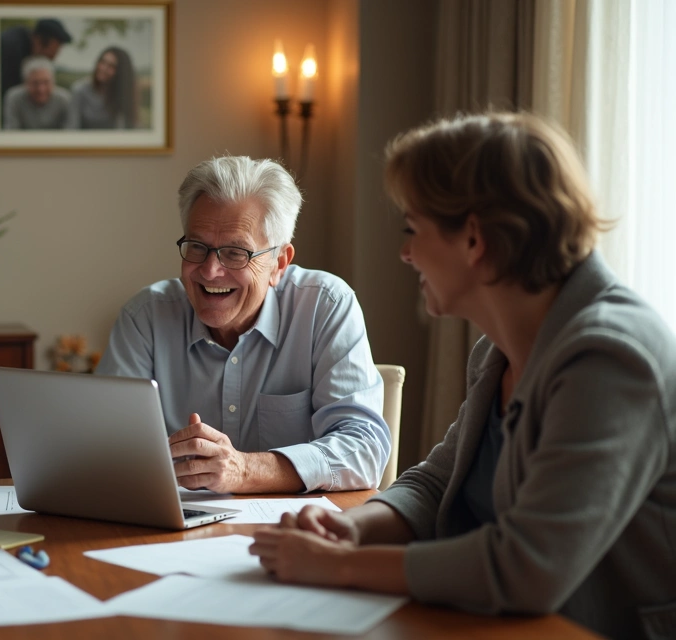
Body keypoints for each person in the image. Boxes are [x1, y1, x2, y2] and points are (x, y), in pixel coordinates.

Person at [250, 113, 676, 639]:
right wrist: (349, 528)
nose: (405, 253)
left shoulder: (610, 358)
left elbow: (529, 567)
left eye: (413, 229)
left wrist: (335, 566)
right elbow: (435, 484)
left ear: (473, 240)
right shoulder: (496, 350)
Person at [96, 156, 390, 493]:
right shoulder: (145, 317)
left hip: (294, 534)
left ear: (279, 263)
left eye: (236, 253)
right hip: (172, 531)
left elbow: (364, 451)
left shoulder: (325, 306)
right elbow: (105, 446)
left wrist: (245, 470)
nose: (209, 271)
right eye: (197, 247)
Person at [0, 18, 72, 110]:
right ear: (39, 41)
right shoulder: (9, 49)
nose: (54, 58)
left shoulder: (24, 45)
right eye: (53, 52)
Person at [67, 46, 137, 130]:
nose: (103, 68)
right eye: (102, 62)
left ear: (121, 72)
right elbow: (72, 127)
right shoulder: (79, 90)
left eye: (111, 66)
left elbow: (128, 128)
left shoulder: (124, 94)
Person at [2, 56, 72, 130]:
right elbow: (10, 131)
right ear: (25, 83)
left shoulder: (64, 99)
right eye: (35, 83)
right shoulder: (14, 98)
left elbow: (69, 132)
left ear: (53, 82)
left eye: (46, 82)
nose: (41, 89)